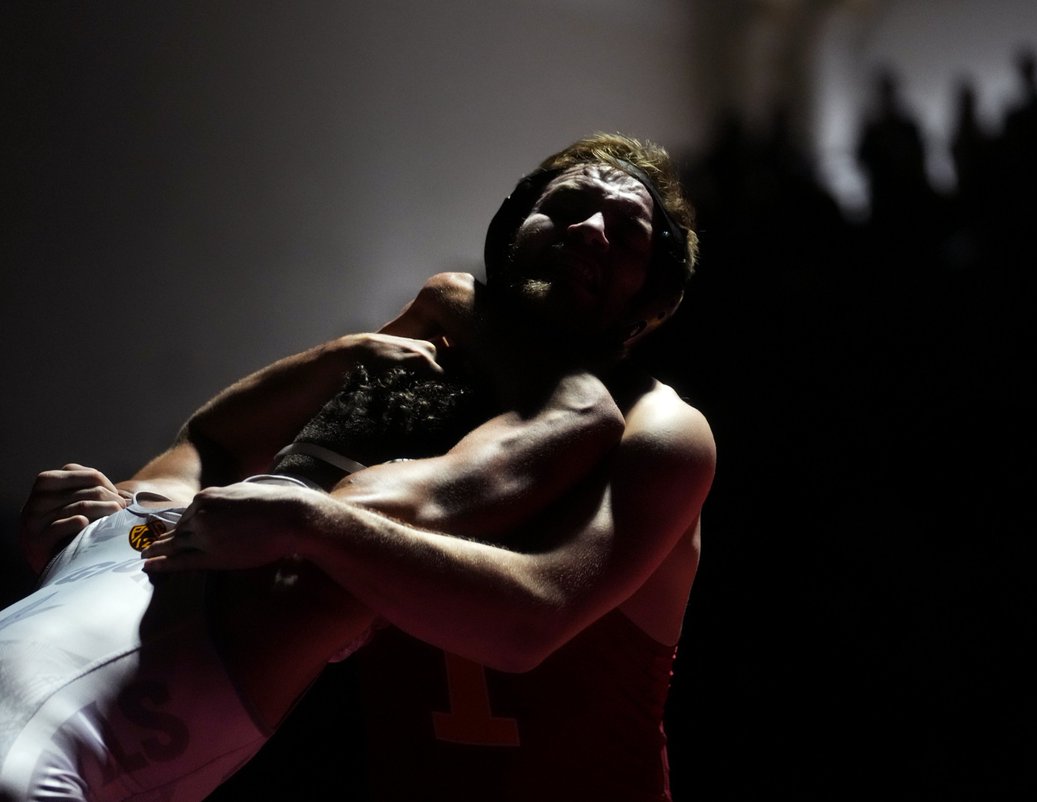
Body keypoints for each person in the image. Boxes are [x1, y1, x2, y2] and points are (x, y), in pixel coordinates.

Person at [8, 132, 716, 802]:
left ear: (653, 300)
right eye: (567, 205)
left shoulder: (658, 429)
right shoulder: (422, 371)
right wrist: (99, 527)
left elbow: (529, 622)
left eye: (626, 232)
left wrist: (312, 523)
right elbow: (200, 491)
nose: (589, 229)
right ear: (512, 226)